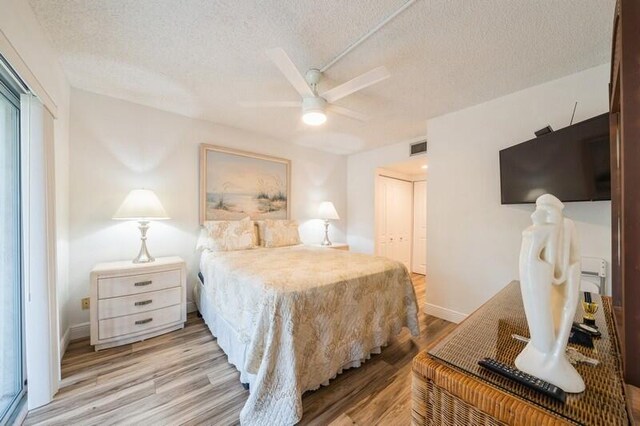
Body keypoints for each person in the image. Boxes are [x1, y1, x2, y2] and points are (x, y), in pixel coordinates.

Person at [515, 194, 585, 393]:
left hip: (543, 275)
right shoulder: (536, 231)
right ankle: (539, 348)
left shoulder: (565, 227)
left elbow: (565, 268)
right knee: (537, 314)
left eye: (546, 211)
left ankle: (547, 353)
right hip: (534, 275)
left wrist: (567, 275)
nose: (537, 216)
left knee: (546, 313)